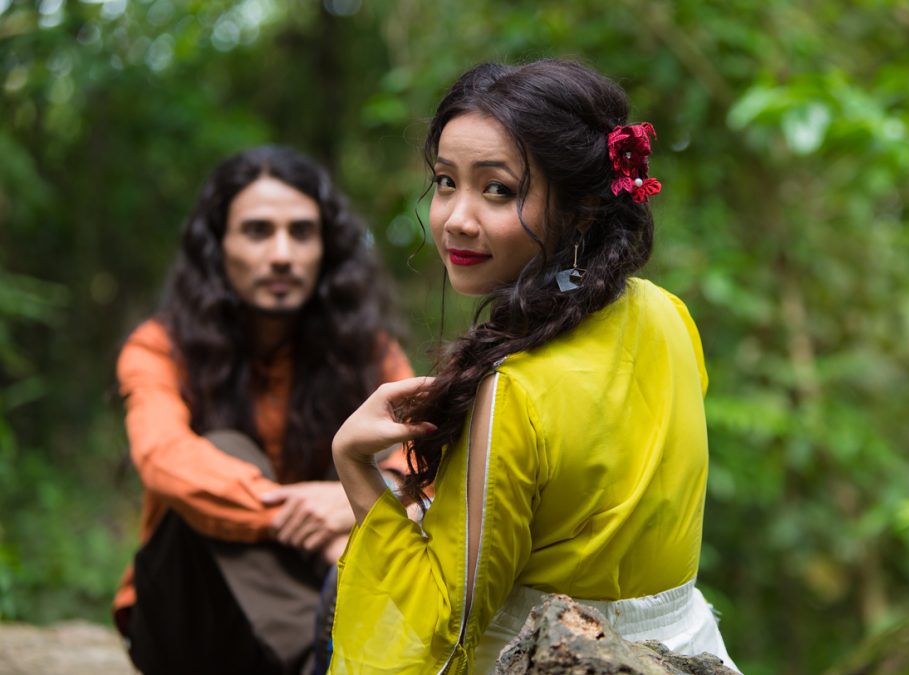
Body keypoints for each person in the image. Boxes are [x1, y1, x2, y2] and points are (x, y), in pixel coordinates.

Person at [328, 60, 740, 673]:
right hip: (688, 651)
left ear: (580, 209)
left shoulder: (512, 391)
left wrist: (354, 464)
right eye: (446, 182)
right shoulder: (666, 314)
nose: (457, 218)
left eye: (498, 190)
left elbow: (441, 623)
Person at [113, 146, 413, 675]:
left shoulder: (368, 353)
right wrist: (310, 520)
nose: (281, 254)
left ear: (325, 248)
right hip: (190, 621)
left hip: (312, 601)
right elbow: (163, 456)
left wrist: (361, 494)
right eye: (257, 231)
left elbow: (417, 456)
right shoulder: (159, 347)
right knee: (223, 453)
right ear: (218, 246)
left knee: (360, 454)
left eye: (301, 232)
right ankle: (321, 660)